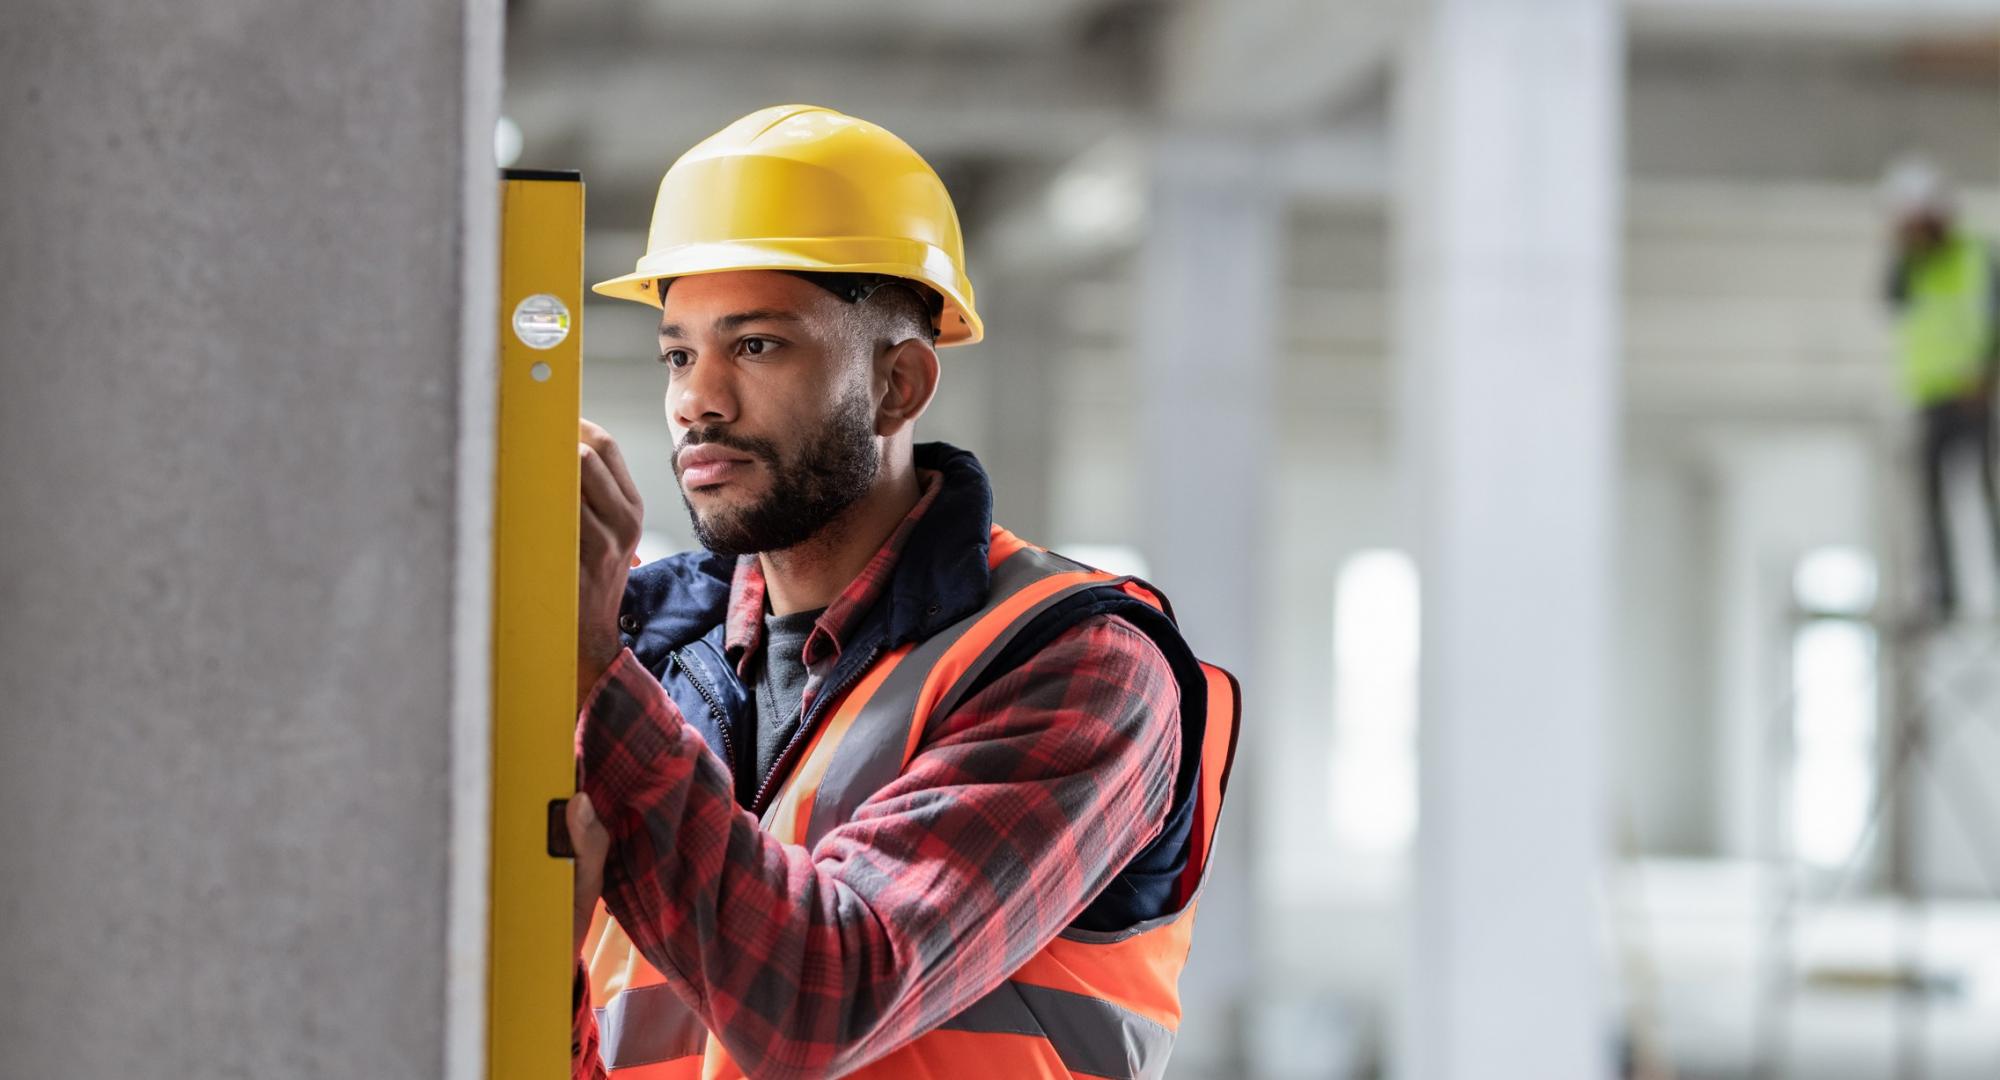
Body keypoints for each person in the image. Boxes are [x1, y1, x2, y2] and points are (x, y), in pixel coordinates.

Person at [562, 105, 1240, 1080]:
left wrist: (592, 667)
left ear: (898, 385)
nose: (695, 399)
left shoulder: (1079, 666)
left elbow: (821, 998)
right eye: (678, 352)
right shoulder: (646, 661)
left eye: (754, 345)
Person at [1881, 155, 2000, 620]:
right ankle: (1942, 594)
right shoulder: (1910, 266)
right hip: (1929, 395)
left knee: (1984, 487)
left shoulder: (1975, 255)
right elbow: (1889, 297)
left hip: (1972, 392)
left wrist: (1988, 373)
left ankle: (1992, 579)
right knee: (1930, 497)